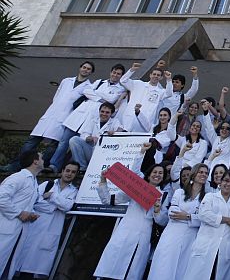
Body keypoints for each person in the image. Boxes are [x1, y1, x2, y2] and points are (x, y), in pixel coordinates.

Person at [2, 62, 94, 172]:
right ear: (80, 68)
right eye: (84, 67)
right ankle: (15, 165)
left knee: (53, 145)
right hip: (51, 114)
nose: (85, 70)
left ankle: (40, 167)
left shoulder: (89, 87)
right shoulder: (66, 81)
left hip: (65, 118)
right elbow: (56, 97)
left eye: (88, 69)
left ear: (91, 72)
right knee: (31, 141)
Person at [93, 144, 165, 280]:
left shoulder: (164, 196)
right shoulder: (136, 190)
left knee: (131, 271)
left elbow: (162, 220)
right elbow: (108, 200)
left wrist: (157, 210)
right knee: (112, 268)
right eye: (155, 172)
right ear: (148, 175)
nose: (157, 175)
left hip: (144, 237)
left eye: (160, 173)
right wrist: (103, 180)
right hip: (125, 232)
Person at [50, 63, 127, 172]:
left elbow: (112, 99)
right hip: (79, 116)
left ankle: (74, 169)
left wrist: (96, 94)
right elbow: (86, 91)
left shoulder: (120, 89)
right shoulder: (100, 82)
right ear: (111, 72)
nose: (115, 75)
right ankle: (54, 166)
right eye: (114, 72)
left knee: (77, 146)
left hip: (92, 119)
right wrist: (102, 99)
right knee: (64, 142)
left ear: (121, 76)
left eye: (118, 74)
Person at [8, 160, 78, 277]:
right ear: (62, 171)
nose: (69, 174)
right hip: (34, 226)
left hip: (50, 231)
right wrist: (54, 207)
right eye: (67, 170)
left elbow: (67, 206)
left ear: (76, 174)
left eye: (73, 172)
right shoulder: (47, 184)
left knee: (34, 267)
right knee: (19, 265)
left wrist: (51, 195)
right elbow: (35, 201)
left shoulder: (74, 191)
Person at [148, 163, 209, 279]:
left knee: (182, 268)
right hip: (172, 235)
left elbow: (204, 219)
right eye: (201, 172)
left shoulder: (207, 197)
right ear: (194, 174)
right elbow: (173, 213)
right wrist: (193, 217)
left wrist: (187, 216)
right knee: (164, 266)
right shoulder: (179, 192)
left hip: (190, 238)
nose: (204, 175)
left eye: (206, 173)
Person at [183, 169, 230, 280]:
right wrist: (227, 220)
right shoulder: (210, 196)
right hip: (206, 246)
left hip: (225, 250)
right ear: (220, 182)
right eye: (226, 180)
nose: (228, 184)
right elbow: (203, 215)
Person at [0, 151, 44, 274]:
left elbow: (26, 204)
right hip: (5, 229)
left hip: (18, 232)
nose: (43, 161)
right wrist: (19, 213)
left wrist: (31, 213)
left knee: (7, 267)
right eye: (41, 158)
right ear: (35, 161)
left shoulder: (34, 181)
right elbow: (1, 198)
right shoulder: (18, 177)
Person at [67, 101, 121, 171]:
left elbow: (121, 131)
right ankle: (82, 168)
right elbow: (84, 134)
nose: (104, 114)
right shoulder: (93, 121)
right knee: (74, 140)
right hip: (90, 150)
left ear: (111, 114)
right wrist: (89, 138)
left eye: (107, 112)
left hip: (104, 153)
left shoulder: (115, 122)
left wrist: (115, 133)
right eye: (102, 111)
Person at [119, 62, 166, 132]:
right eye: (154, 74)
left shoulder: (160, 91)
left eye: (158, 75)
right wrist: (131, 70)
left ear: (161, 78)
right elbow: (123, 81)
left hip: (144, 123)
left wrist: (169, 80)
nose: (155, 76)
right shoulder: (138, 84)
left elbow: (169, 93)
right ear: (150, 75)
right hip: (130, 118)